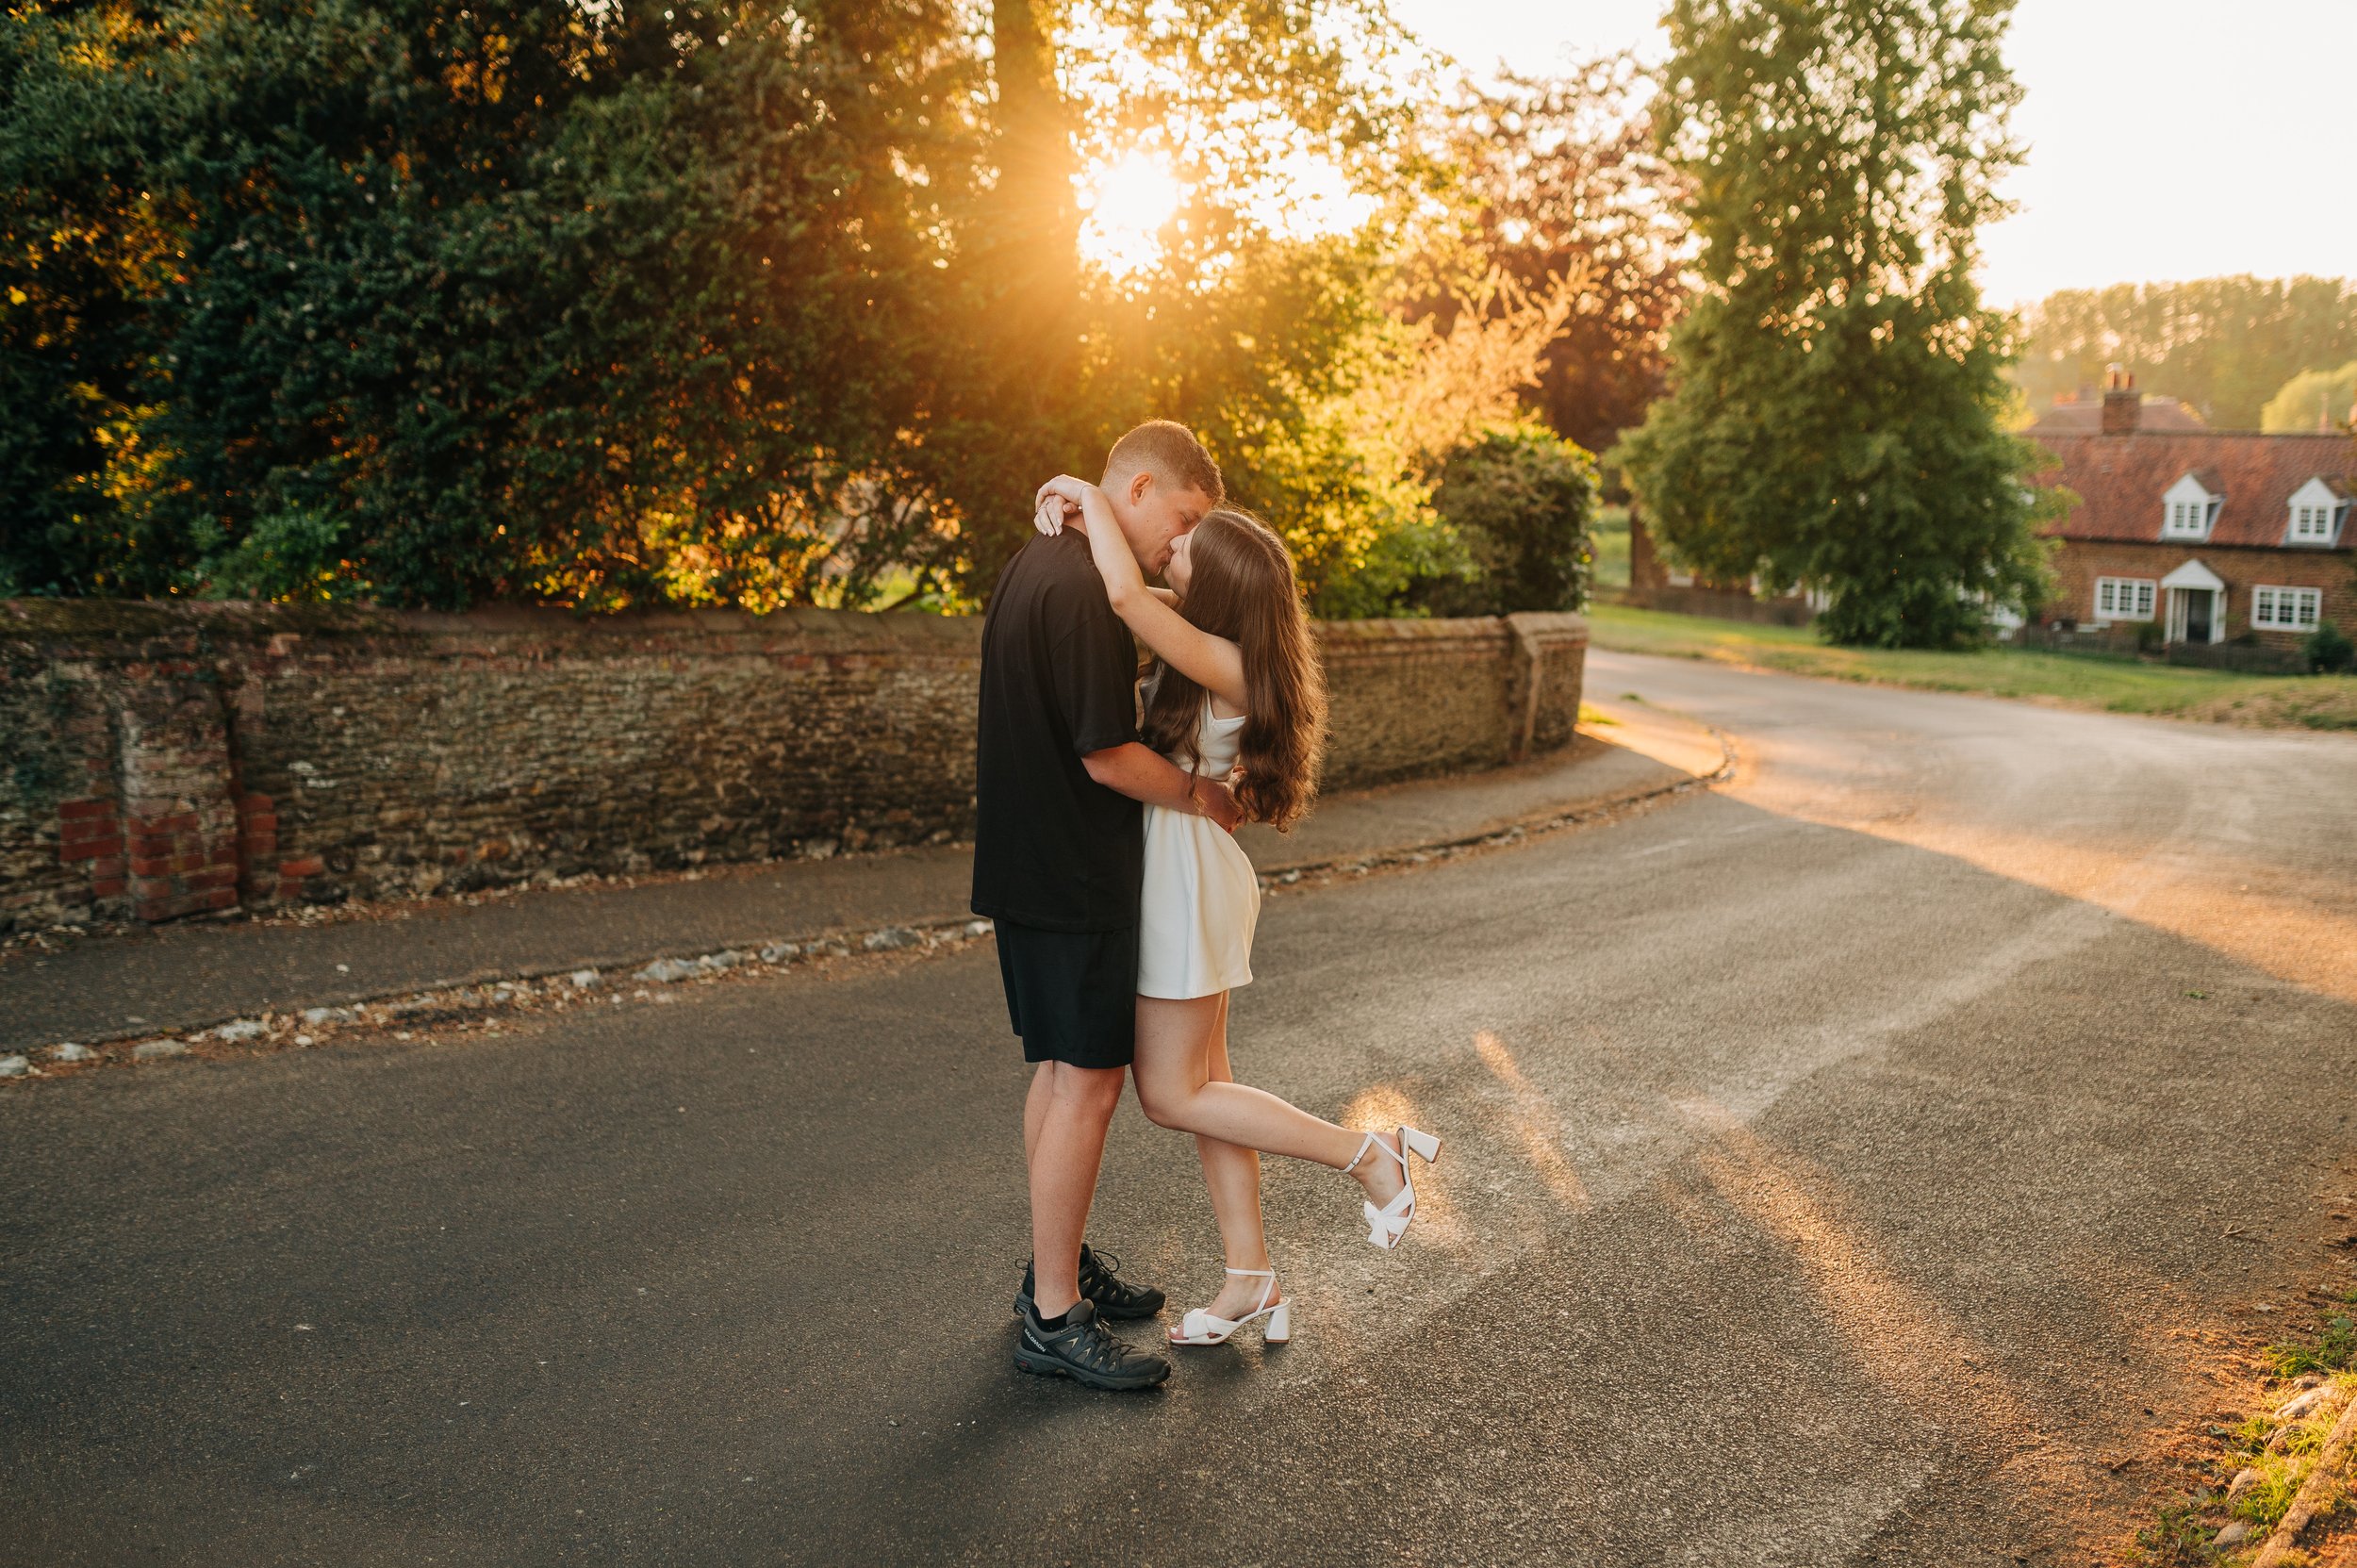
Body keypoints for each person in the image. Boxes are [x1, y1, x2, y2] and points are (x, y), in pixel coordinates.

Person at [1030, 471, 1442, 1354]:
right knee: (1209, 1088)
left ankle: (1369, 1157)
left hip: (1186, 879)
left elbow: (1119, 594)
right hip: (1190, 870)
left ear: (1214, 584)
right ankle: (1250, 1276)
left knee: (1174, 1095)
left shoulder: (1227, 662)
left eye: (1186, 546)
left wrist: (1087, 498)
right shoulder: (1214, 656)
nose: (1169, 544)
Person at [972, 421, 1242, 1392]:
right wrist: (1197, 791)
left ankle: (1057, 1263)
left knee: (1057, 1075)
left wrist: (1079, 499)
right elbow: (1104, 753)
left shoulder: (1038, 558)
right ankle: (1054, 1315)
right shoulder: (1088, 591)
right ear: (1133, 491)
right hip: (1076, 874)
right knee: (1085, 1086)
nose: (1181, 543)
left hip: (1023, 862)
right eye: (1179, 517)